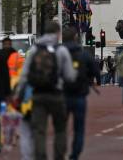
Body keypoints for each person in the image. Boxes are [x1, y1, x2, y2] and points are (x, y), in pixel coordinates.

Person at [17, 21, 77, 160]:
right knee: (60, 129)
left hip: (38, 94)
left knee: (39, 130)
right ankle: (58, 156)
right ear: (57, 33)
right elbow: (69, 76)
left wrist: (19, 93)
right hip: (56, 94)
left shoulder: (34, 50)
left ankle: (40, 157)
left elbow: (24, 75)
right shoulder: (61, 50)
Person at [62, 26, 99, 160]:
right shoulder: (84, 54)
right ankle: (75, 154)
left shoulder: (58, 53)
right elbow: (96, 70)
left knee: (61, 127)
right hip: (79, 94)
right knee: (79, 128)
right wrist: (90, 78)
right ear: (76, 38)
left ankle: (60, 152)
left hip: (63, 94)